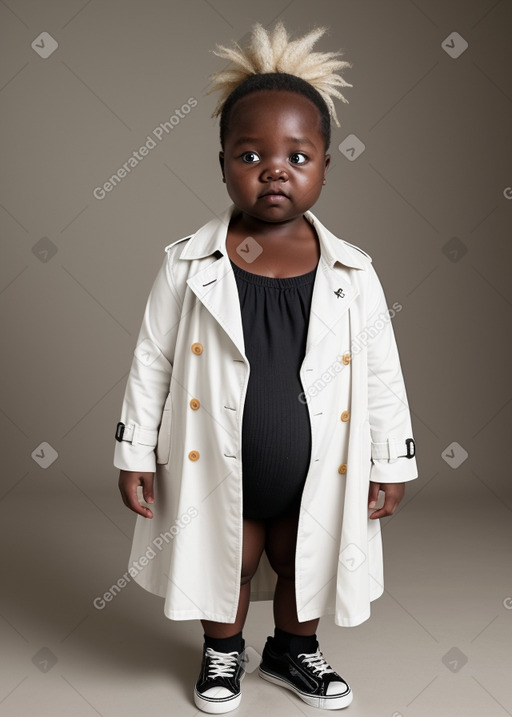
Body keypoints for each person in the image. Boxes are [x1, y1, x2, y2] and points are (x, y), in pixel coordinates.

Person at [114, 21, 418, 714]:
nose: (273, 168)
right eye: (250, 154)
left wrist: (391, 460)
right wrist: (133, 447)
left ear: (324, 166)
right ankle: (222, 651)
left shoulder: (353, 272)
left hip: (321, 464)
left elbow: (380, 371)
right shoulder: (187, 263)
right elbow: (152, 357)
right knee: (229, 555)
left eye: (296, 154)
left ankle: (291, 647)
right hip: (215, 459)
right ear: (222, 163)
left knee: (302, 558)